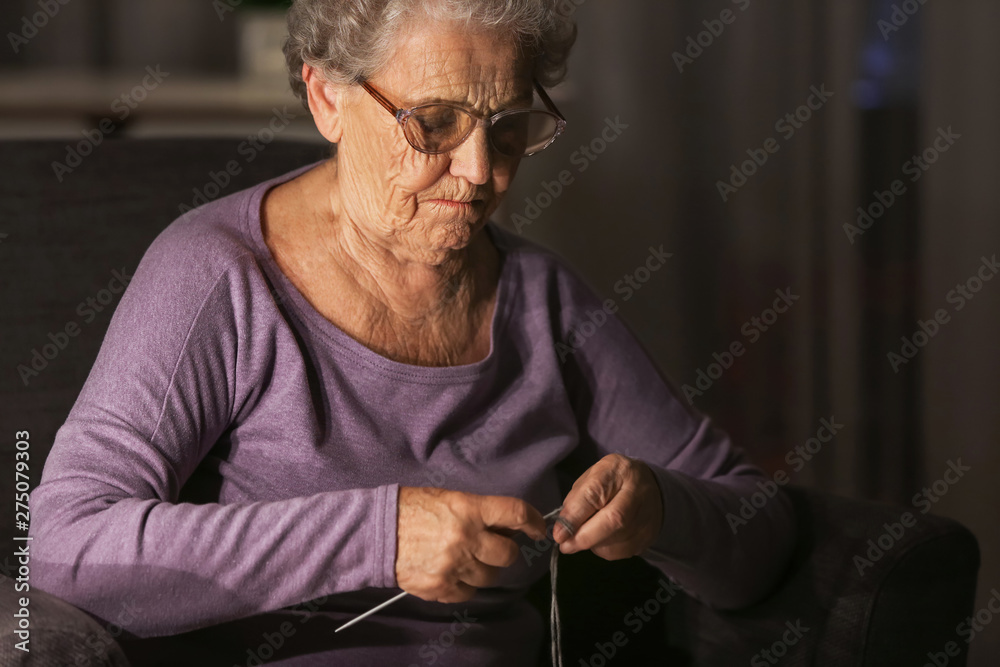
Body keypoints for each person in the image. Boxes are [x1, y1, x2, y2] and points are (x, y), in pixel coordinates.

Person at [29, 0, 795, 664]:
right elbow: (64, 553)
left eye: (508, 127)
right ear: (326, 98)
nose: (480, 173)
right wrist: (380, 534)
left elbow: (759, 538)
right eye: (434, 123)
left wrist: (662, 509)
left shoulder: (546, 300)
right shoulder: (215, 276)